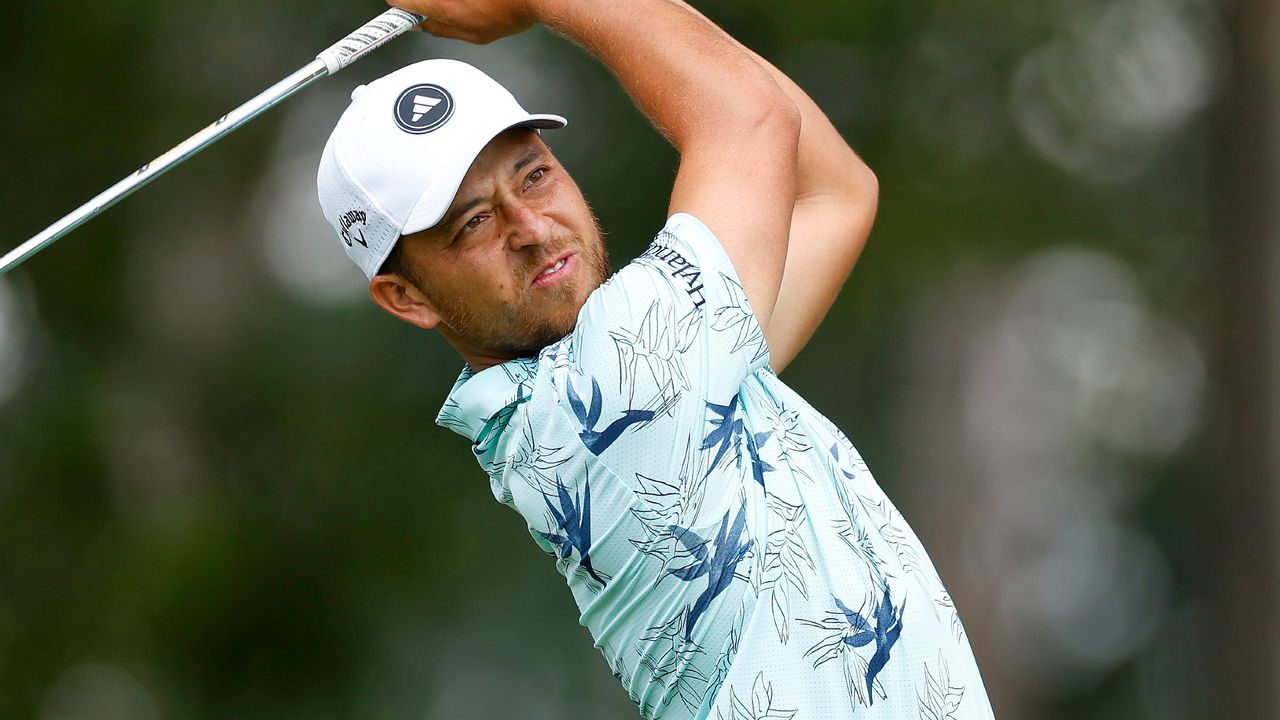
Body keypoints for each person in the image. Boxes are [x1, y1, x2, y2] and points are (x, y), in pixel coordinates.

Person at [316, 0, 995, 717]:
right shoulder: (608, 395)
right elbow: (752, 117)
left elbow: (830, 191)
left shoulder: (680, 369)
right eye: (473, 222)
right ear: (406, 297)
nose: (532, 227)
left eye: (534, 175)